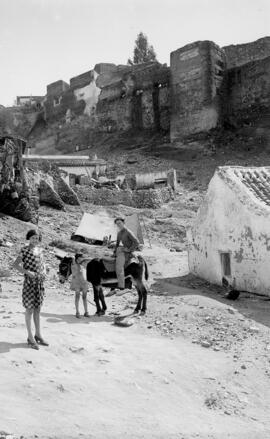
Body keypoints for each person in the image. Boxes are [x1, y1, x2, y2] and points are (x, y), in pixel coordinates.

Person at [13, 229, 48, 350]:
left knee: (38, 309)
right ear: (29, 238)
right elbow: (15, 265)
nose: (35, 240)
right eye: (33, 237)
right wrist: (27, 272)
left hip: (39, 283)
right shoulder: (24, 250)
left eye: (37, 238)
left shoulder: (40, 250)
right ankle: (30, 337)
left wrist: (44, 270)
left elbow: (43, 264)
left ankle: (38, 334)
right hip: (29, 283)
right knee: (29, 310)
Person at [112, 217, 140, 295]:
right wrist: (114, 252)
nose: (118, 225)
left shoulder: (128, 231)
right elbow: (117, 244)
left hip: (125, 252)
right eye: (117, 224)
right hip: (119, 251)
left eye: (120, 223)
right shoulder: (119, 233)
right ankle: (112, 287)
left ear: (123, 223)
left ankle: (122, 288)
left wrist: (129, 249)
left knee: (119, 267)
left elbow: (136, 242)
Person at [70, 253, 89, 319]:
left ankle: (86, 312)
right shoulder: (73, 263)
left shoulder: (83, 264)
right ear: (78, 258)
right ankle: (77, 312)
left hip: (84, 282)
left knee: (84, 297)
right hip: (76, 283)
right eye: (81, 257)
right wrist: (75, 258)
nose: (83, 258)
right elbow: (72, 257)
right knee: (77, 297)